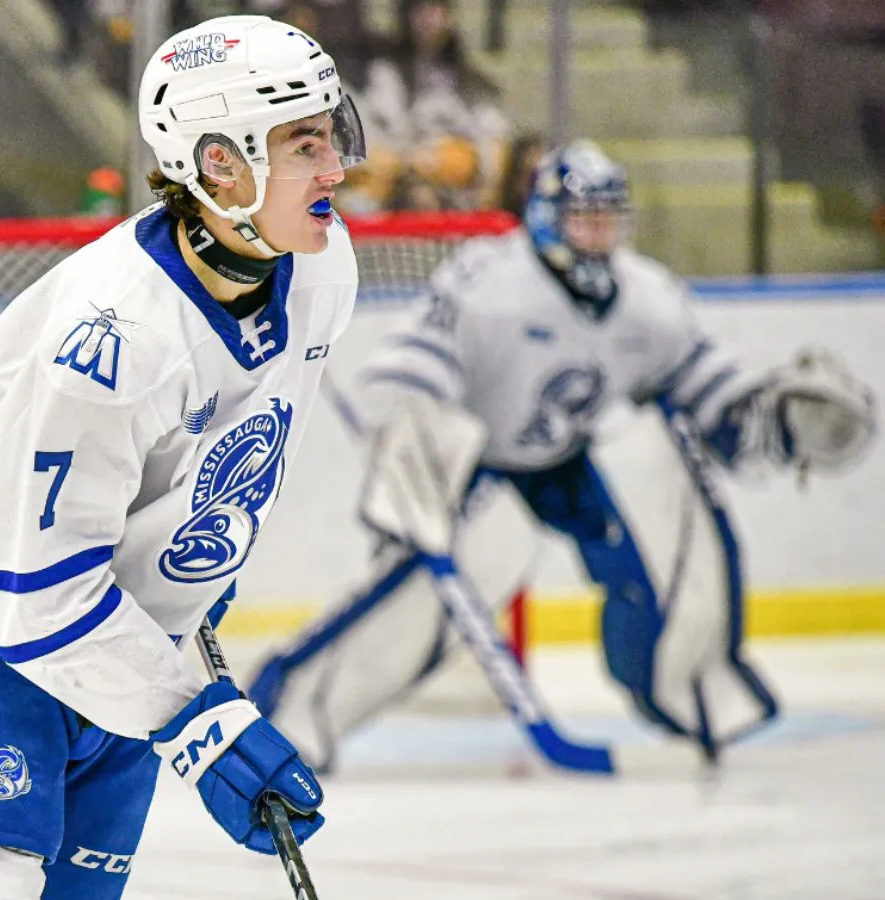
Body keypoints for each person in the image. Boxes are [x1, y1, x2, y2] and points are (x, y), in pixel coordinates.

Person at [0, 15, 366, 899]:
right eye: (305, 144)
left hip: (131, 643)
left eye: (332, 135)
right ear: (221, 163)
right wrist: (196, 725)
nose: (336, 169)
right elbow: (38, 595)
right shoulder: (104, 345)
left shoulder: (322, 267)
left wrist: (194, 570)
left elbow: (239, 448)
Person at [248, 140, 878, 771]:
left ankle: (689, 692)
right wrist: (414, 449)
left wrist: (777, 423)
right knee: (426, 597)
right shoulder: (490, 281)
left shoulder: (650, 299)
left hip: (572, 463)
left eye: (609, 220)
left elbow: (714, 401)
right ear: (548, 217)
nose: (599, 235)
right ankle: (293, 710)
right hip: (482, 462)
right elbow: (413, 372)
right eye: (585, 219)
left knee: (657, 503)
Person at [342, 0, 509, 213]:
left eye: (436, 8)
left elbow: (493, 139)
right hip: (398, 185)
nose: (427, 17)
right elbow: (374, 135)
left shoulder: (471, 83)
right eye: (419, 9)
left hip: (454, 193)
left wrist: (449, 158)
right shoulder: (386, 74)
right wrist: (409, 159)